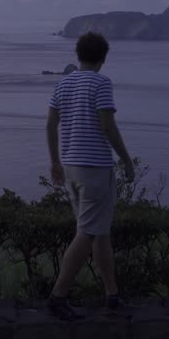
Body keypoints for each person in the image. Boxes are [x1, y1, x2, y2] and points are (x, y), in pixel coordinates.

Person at [45, 31, 135, 320]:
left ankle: (112, 294)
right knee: (86, 233)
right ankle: (58, 296)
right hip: (95, 169)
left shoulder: (63, 83)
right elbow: (107, 125)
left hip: (71, 168)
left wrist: (55, 163)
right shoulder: (101, 83)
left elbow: (50, 124)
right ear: (103, 58)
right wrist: (126, 160)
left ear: (78, 55)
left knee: (99, 233)